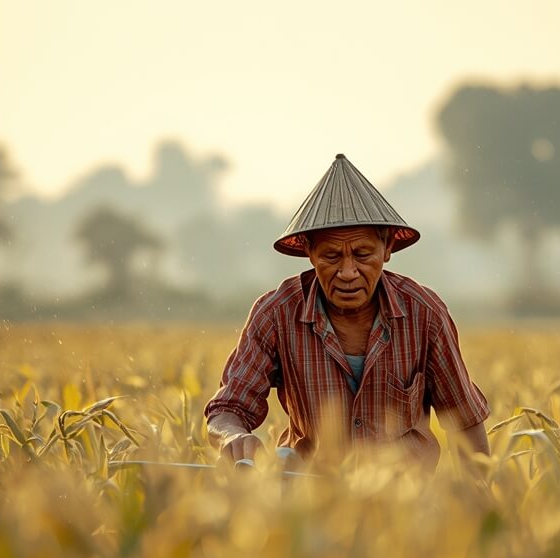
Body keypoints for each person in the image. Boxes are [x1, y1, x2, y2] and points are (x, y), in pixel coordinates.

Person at [204, 154, 490, 468]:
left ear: (388, 249)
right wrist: (232, 437)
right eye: (331, 256)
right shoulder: (276, 315)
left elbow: (464, 421)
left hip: (407, 502)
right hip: (310, 497)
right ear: (309, 253)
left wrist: (475, 499)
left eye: (362, 253)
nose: (348, 271)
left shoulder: (424, 314)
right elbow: (228, 409)